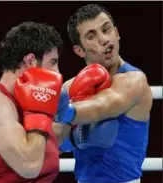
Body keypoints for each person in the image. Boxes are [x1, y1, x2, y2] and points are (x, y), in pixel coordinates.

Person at [55, 4, 153, 183]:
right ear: (79, 50)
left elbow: (102, 107)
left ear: (116, 32)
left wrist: (66, 111)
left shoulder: (133, 81)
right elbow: (57, 144)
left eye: (106, 30)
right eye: (91, 36)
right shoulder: (70, 88)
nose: (104, 39)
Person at [0, 22, 64, 183]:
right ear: (30, 61)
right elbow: (29, 165)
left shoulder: (25, 105)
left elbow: (47, 144)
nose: (57, 72)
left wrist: (75, 117)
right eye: (52, 62)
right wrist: (41, 113)